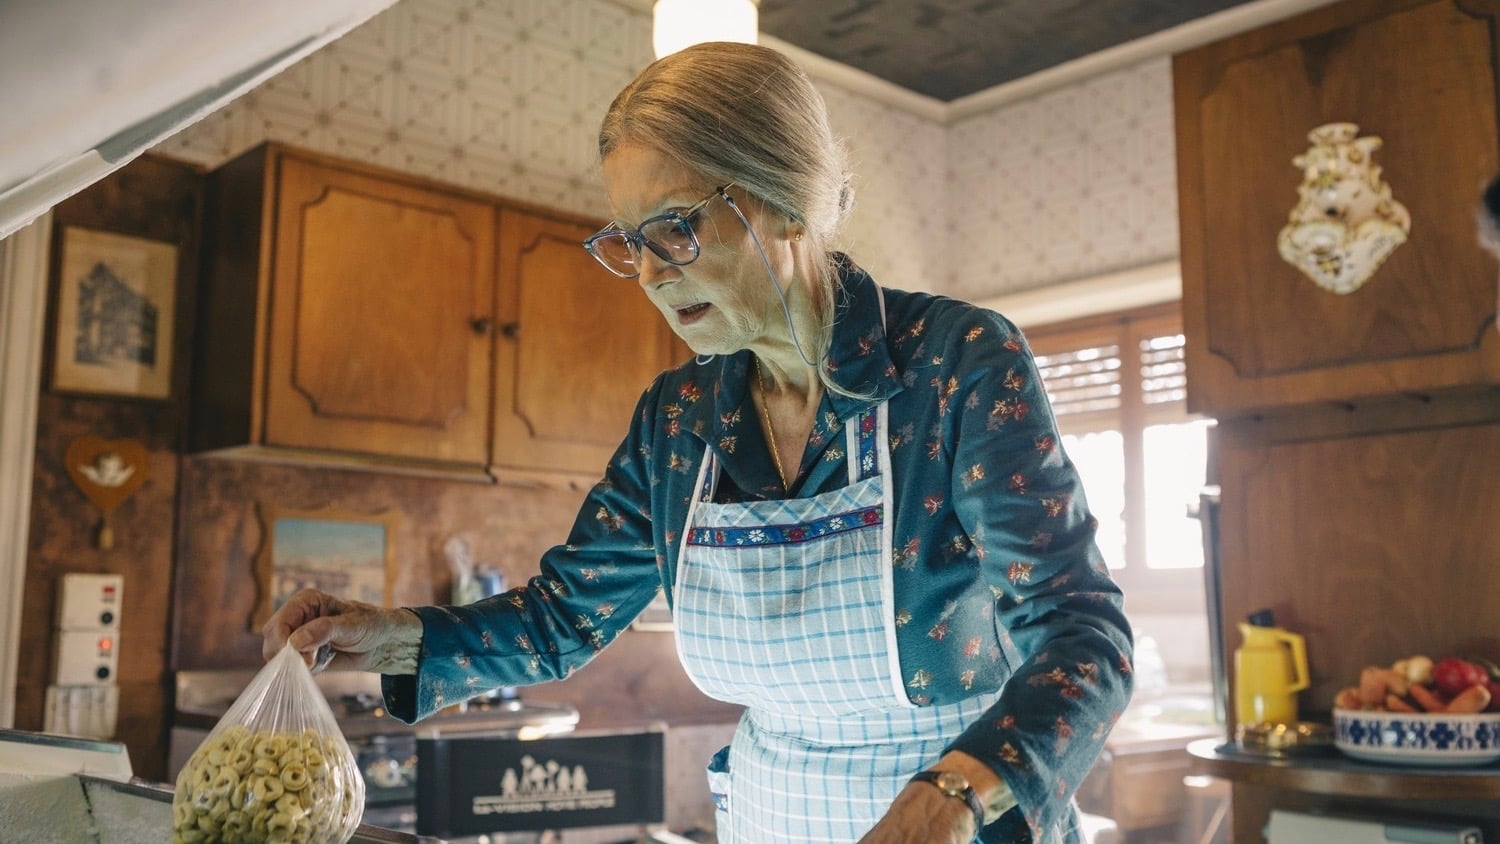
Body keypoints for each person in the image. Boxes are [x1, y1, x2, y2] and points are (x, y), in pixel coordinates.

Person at [264, 41, 1133, 844]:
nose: (647, 272)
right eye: (626, 243)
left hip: (961, 817)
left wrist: (953, 793)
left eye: (676, 227)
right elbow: (562, 617)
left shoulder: (955, 365)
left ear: (788, 201)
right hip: (772, 818)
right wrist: (388, 637)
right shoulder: (678, 418)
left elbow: (1083, 636)